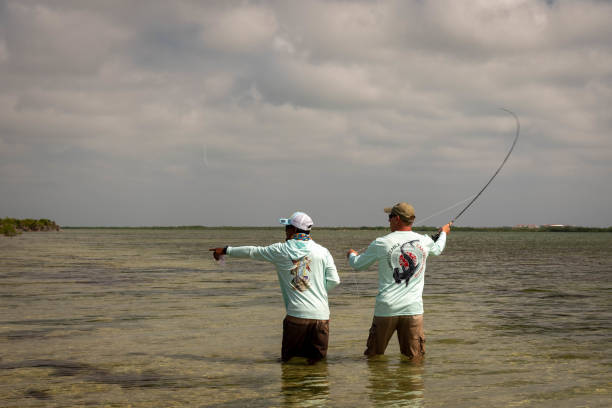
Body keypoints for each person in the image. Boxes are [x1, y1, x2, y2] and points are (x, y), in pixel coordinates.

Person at [209, 211, 340, 364]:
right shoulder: (323, 252)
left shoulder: (280, 250)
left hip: (296, 317)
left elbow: (252, 251)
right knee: (317, 366)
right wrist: (316, 293)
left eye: (287, 228)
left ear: (294, 230)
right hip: (321, 318)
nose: (285, 231)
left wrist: (226, 250)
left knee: (290, 366)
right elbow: (334, 280)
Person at [346, 202, 451, 360]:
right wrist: (443, 233)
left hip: (386, 310)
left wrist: (351, 255)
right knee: (414, 359)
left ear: (396, 219)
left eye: (389, 217)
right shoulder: (424, 241)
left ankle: (379, 384)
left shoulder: (381, 242)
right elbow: (438, 249)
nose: (388, 221)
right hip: (413, 311)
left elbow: (357, 264)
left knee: (374, 357)